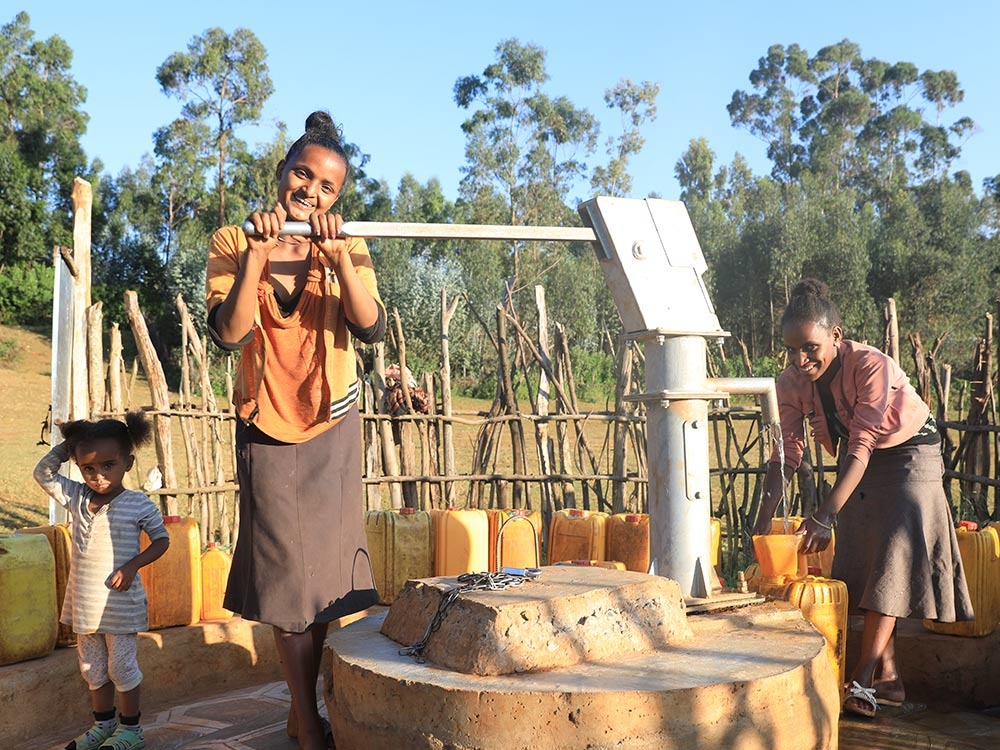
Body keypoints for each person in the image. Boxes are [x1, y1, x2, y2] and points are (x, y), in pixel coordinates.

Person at [205, 110, 384, 749]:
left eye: (328, 186)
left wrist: (337, 260)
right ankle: (307, 720)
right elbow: (231, 334)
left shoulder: (347, 245)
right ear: (282, 174)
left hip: (332, 424)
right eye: (302, 175)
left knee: (328, 582)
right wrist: (257, 253)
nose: (311, 191)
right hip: (266, 424)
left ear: (339, 196)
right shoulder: (234, 240)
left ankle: (303, 706)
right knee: (286, 584)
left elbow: (370, 328)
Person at [752, 278, 973, 718]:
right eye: (792, 351)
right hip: (861, 459)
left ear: (835, 336)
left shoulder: (871, 365)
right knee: (867, 559)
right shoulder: (791, 383)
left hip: (910, 454)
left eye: (810, 348)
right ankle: (890, 680)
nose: (801, 360)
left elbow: (863, 442)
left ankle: (863, 681)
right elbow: (786, 453)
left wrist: (824, 515)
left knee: (891, 555)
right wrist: (765, 514)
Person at [34, 411, 170, 750]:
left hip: (120, 604)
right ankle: (103, 726)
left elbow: (162, 540)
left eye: (108, 465)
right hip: (84, 603)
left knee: (121, 666)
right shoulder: (77, 498)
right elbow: (42, 473)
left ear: (128, 462)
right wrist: (69, 446)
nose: (98, 477)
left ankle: (131, 730)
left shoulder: (138, 503)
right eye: (88, 469)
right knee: (92, 668)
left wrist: (133, 565)